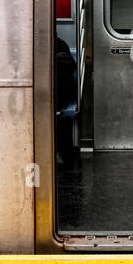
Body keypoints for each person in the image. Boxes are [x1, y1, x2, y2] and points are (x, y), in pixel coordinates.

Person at [55, 35, 80, 168]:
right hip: (64, 92)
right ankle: (63, 152)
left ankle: (56, 151)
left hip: (57, 93)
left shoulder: (41, 48)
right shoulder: (62, 44)